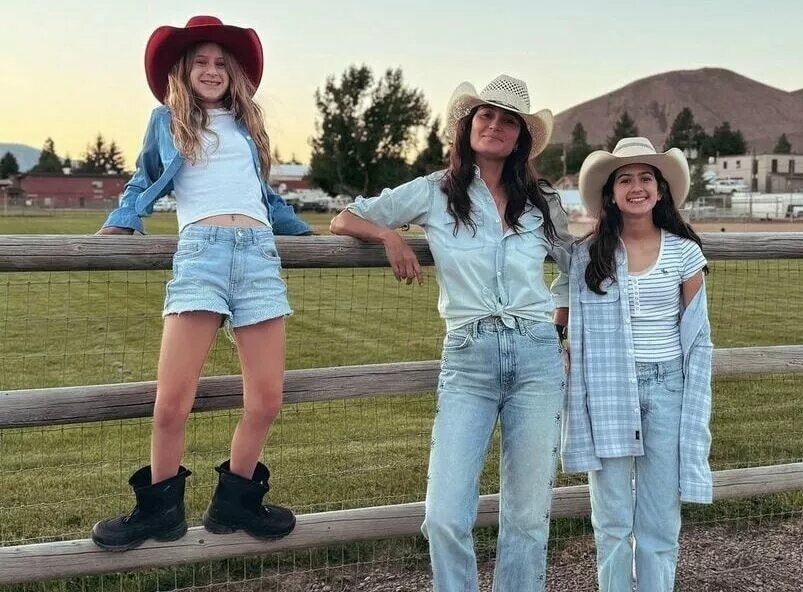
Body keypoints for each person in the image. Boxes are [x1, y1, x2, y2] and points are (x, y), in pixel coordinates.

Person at [330, 75, 573, 592]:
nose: (495, 125)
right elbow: (344, 219)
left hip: (537, 356)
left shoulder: (541, 200)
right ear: (468, 125)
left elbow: (573, 267)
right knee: (444, 515)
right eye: (487, 114)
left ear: (521, 137)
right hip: (469, 356)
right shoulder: (435, 190)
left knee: (528, 517)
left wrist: (559, 324)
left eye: (509, 121)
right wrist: (388, 235)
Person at [91, 15, 308, 551]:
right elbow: (143, 178)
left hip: (258, 259)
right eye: (200, 63)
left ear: (234, 73)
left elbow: (264, 196)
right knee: (172, 401)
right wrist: (122, 220)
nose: (211, 71)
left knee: (266, 399)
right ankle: (158, 511)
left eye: (220, 64)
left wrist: (308, 234)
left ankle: (236, 503)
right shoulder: (166, 121)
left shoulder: (248, 127)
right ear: (183, 72)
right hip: (201, 257)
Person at [561, 137, 713, 591]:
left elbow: (697, 334)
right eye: (624, 179)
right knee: (610, 516)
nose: (636, 187)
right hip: (607, 388)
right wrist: (558, 344)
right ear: (611, 194)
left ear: (661, 190)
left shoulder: (684, 252)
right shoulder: (588, 255)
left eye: (646, 177)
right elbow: (562, 307)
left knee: (660, 517)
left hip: (667, 387)